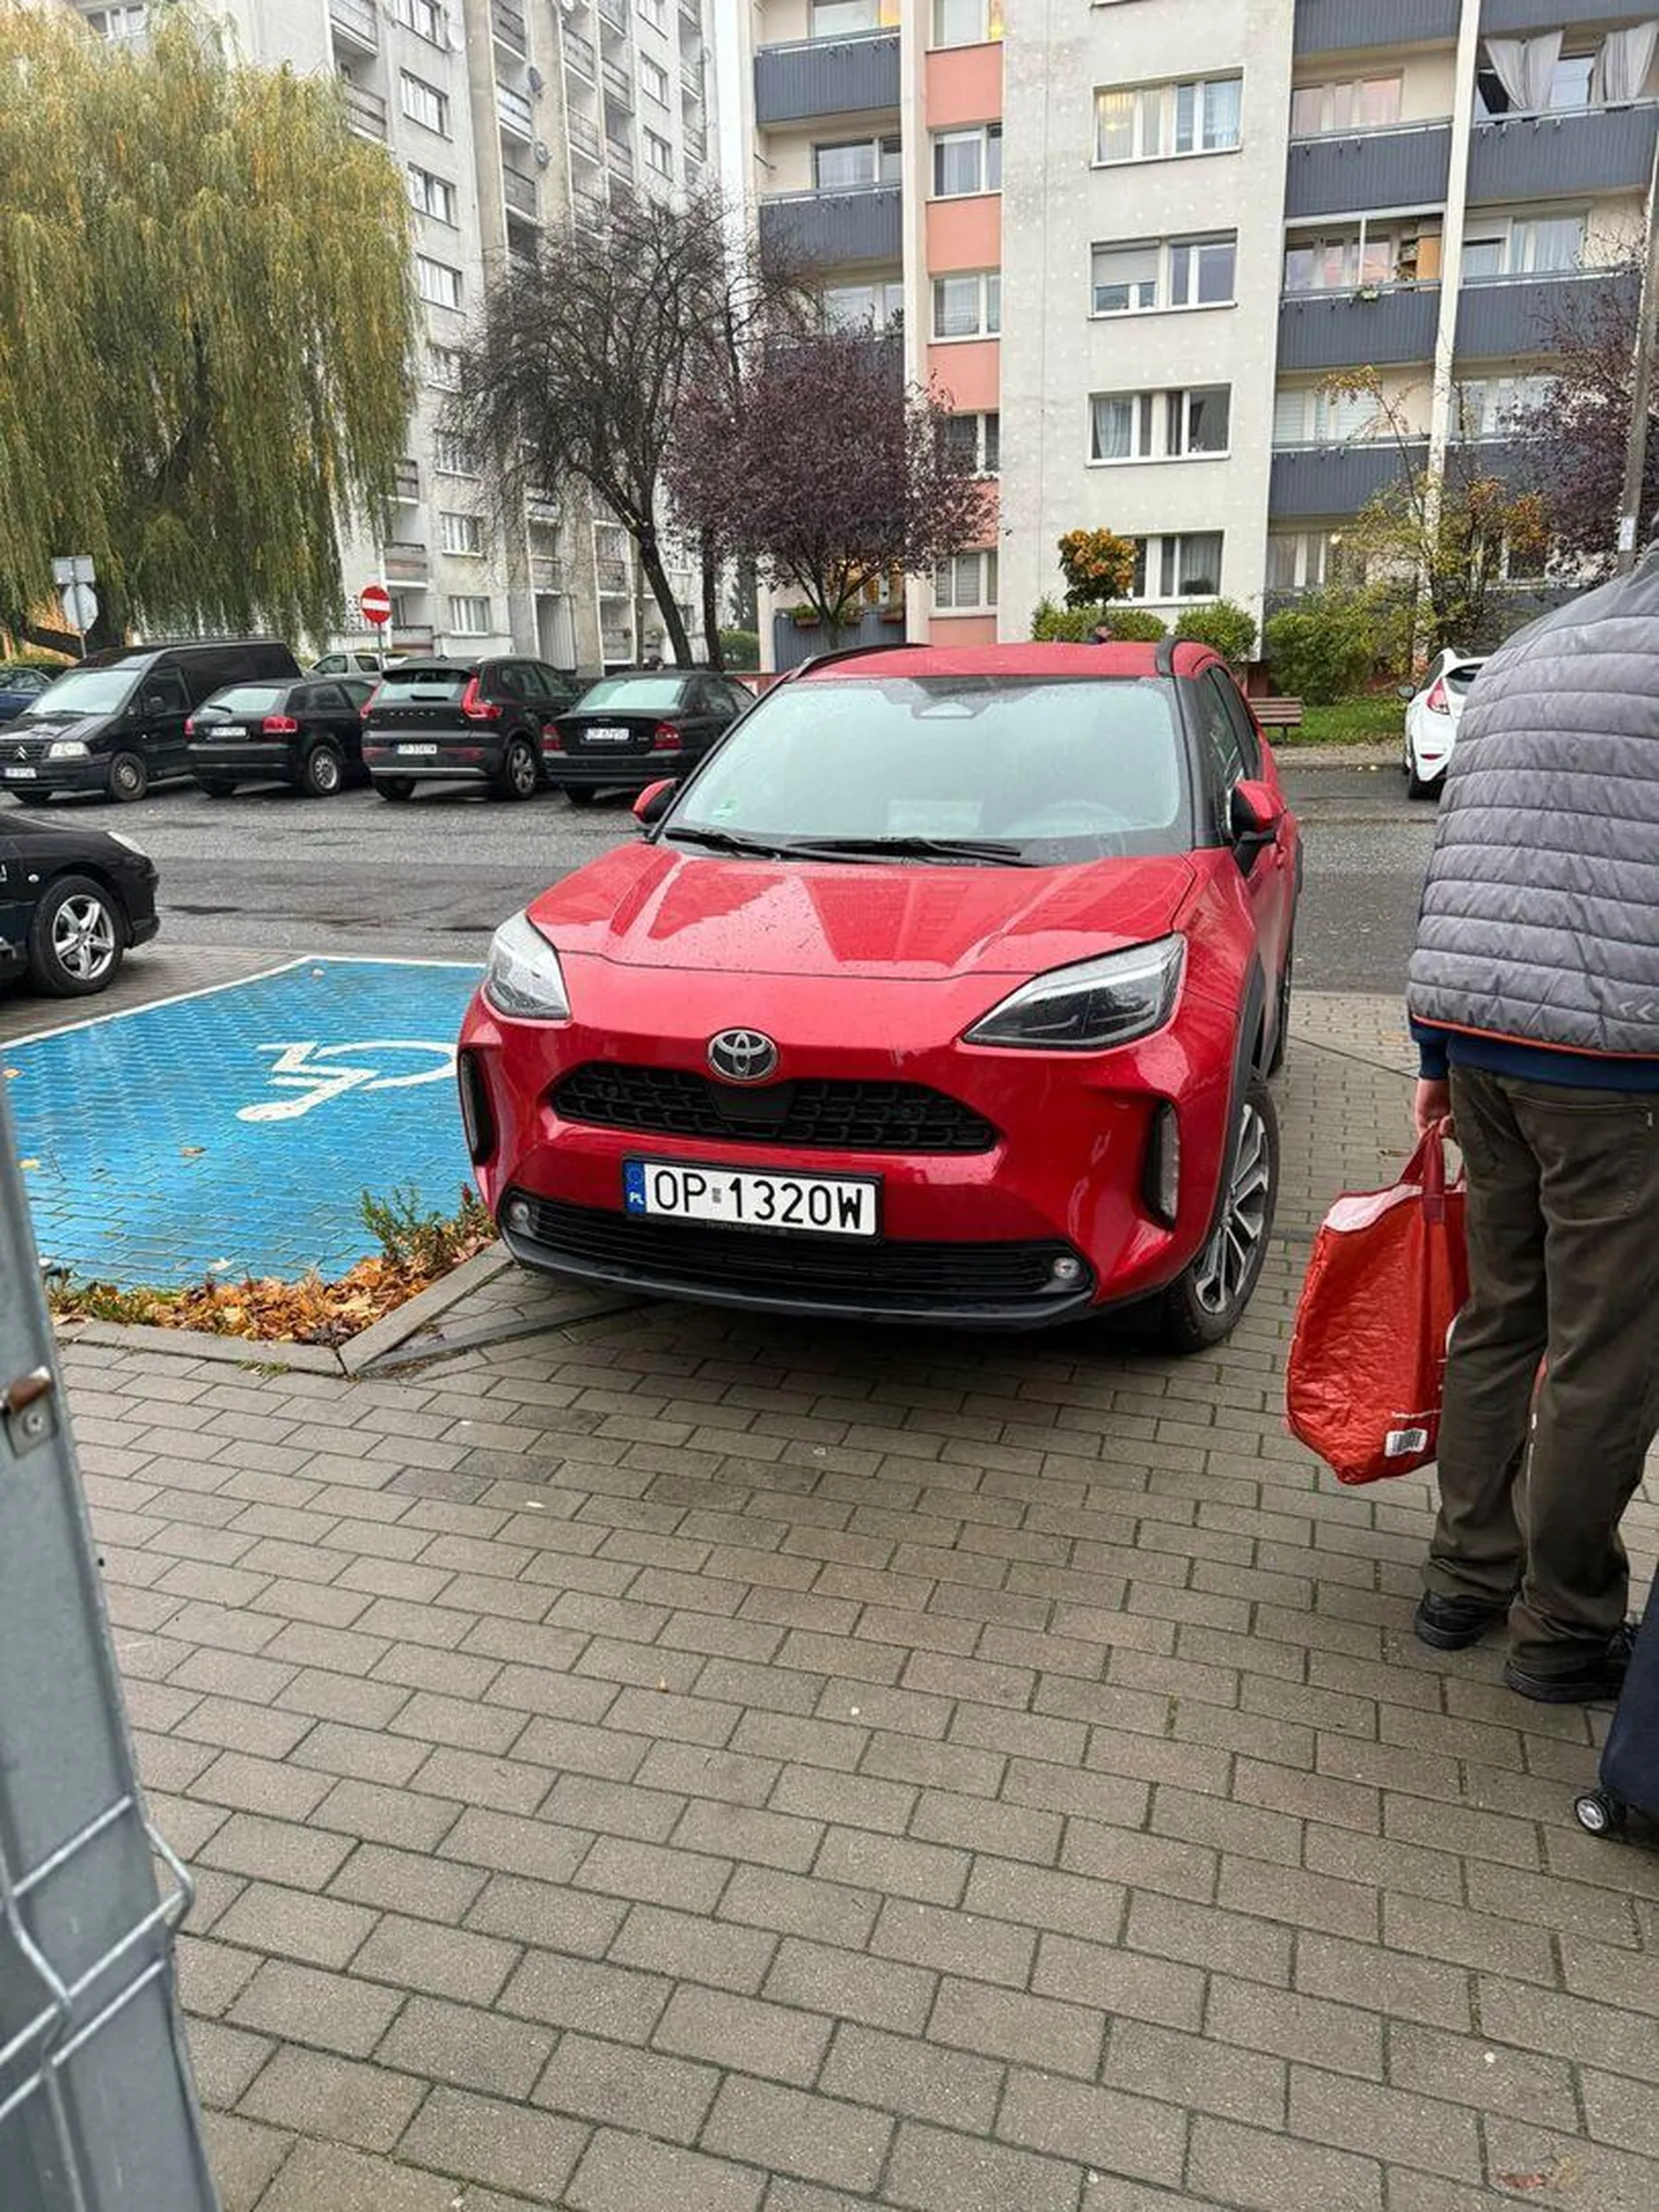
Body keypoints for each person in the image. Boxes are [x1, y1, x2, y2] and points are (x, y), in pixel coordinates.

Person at [1405, 553, 1659, 1702]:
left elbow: (1456, 853)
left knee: (1500, 1314)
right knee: (1605, 1356)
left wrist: (1431, 1056)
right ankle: (1563, 1629)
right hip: (1617, 1066)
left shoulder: (1520, 657)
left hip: (1483, 1043)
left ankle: (1462, 1578)